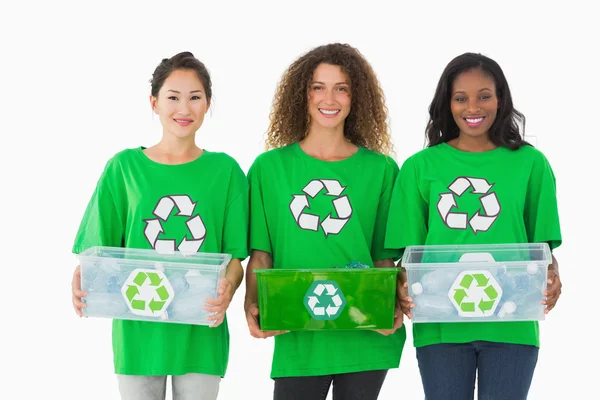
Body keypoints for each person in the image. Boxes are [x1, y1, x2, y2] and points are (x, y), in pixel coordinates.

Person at [70, 51, 249, 400]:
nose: (184, 109)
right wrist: (81, 276)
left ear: (208, 103)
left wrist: (229, 285)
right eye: (173, 97)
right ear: (154, 102)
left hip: (200, 329)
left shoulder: (226, 172)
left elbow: (235, 259)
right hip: (139, 326)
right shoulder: (124, 168)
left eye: (195, 97)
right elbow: (96, 251)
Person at [385, 52, 563, 400]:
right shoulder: (419, 167)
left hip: (512, 321)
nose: (473, 107)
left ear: (500, 99)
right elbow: (406, 257)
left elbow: (542, 249)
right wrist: (401, 285)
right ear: (446, 104)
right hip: (440, 322)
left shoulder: (530, 163)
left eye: (484, 95)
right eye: (460, 98)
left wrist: (554, 277)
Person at [244, 43, 405, 400]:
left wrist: (392, 305)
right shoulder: (269, 170)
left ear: (355, 97)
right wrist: (250, 303)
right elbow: (261, 253)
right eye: (318, 87)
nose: (328, 98)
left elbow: (383, 258)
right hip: (297, 330)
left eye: (341, 88)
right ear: (301, 94)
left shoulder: (381, 171)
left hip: (364, 331)